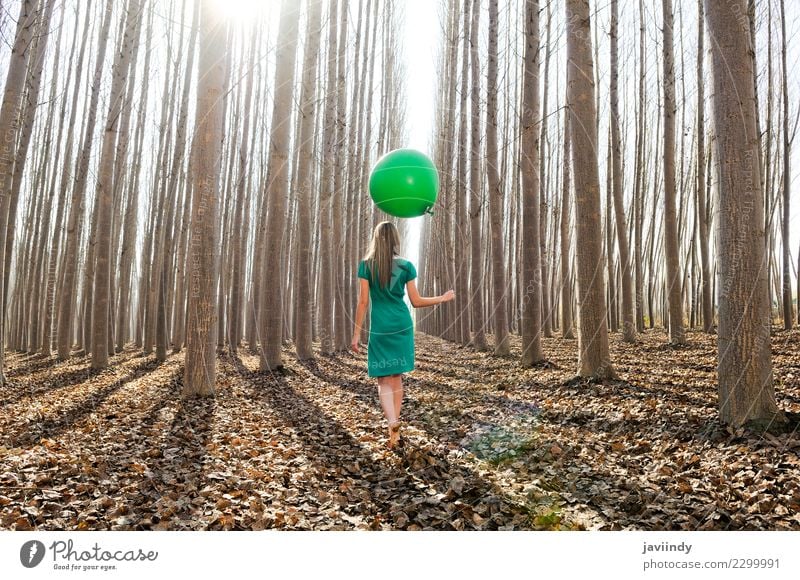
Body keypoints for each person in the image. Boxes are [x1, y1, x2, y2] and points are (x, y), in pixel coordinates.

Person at [351, 221, 455, 449]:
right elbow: (416, 302)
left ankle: (393, 421)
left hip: (380, 326)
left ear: (376, 239)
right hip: (401, 324)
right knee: (396, 376)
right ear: (396, 240)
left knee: (383, 378)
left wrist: (356, 334)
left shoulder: (366, 266)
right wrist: (442, 298)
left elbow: (363, 302)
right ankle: (394, 431)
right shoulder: (406, 265)